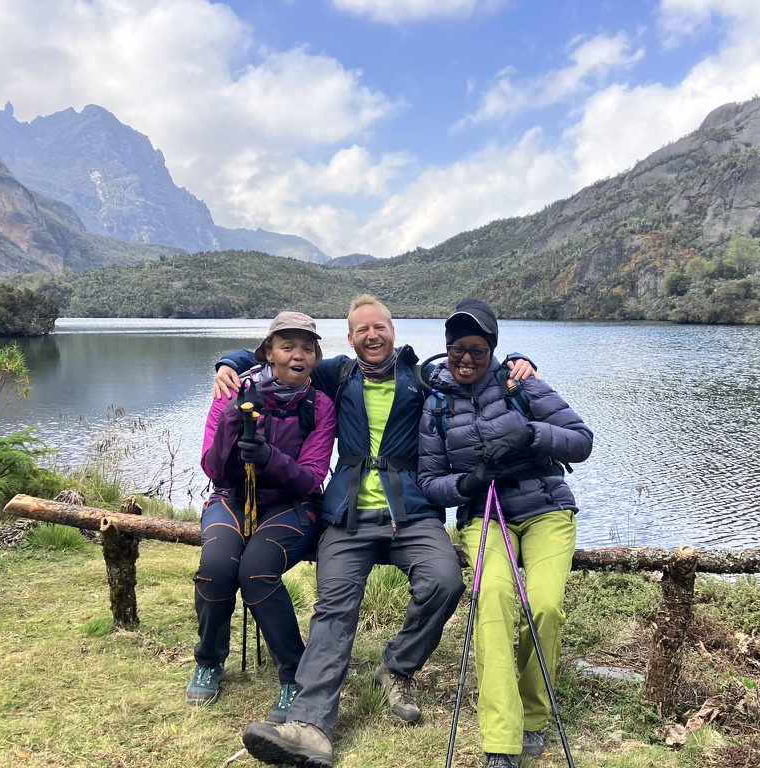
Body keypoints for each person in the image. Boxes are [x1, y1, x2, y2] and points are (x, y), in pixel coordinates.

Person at [211, 295, 535, 768]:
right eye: (361, 330)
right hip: (346, 513)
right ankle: (310, 726)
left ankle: (396, 667)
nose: (371, 336)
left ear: (392, 330)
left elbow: (477, 371)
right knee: (335, 605)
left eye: (378, 326)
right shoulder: (335, 373)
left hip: (413, 511)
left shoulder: (422, 376)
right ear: (350, 339)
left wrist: (521, 362)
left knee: (445, 581)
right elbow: (278, 360)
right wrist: (228, 361)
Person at [416, 298, 593, 768]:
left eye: (476, 348)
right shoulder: (434, 402)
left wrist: (531, 434)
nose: (466, 359)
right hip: (484, 513)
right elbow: (430, 483)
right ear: (448, 349)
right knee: (492, 598)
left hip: (546, 507)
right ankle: (501, 738)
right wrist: (469, 482)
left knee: (545, 605)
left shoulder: (521, 384)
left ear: (492, 348)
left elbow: (581, 441)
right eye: (457, 349)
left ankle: (534, 715)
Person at [187, 311, 337, 726]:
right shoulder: (232, 393)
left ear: (316, 356)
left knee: (255, 570)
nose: (298, 355)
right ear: (268, 352)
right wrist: (233, 420)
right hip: (232, 497)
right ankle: (209, 660)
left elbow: (310, 479)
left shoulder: (319, 405)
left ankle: (293, 674)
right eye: (287, 346)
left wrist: (269, 458)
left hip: (294, 504)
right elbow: (214, 469)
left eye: (307, 348)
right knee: (216, 568)